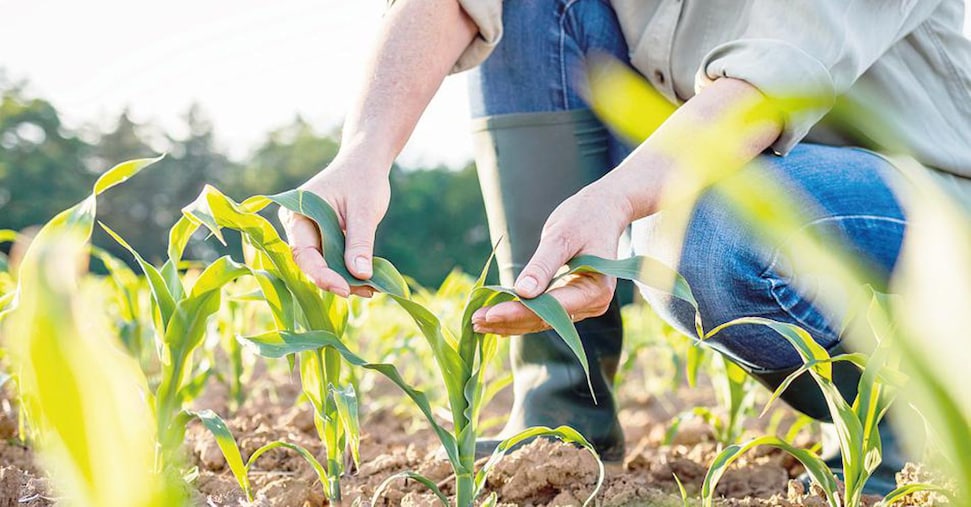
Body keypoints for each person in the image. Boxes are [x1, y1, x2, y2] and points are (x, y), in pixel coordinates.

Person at [280, 0, 971, 494]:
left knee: (701, 231)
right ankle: (560, 407)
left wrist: (617, 199)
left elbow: (759, 89)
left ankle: (927, 421)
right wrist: (367, 151)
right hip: (745, 179)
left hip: (924, 206)